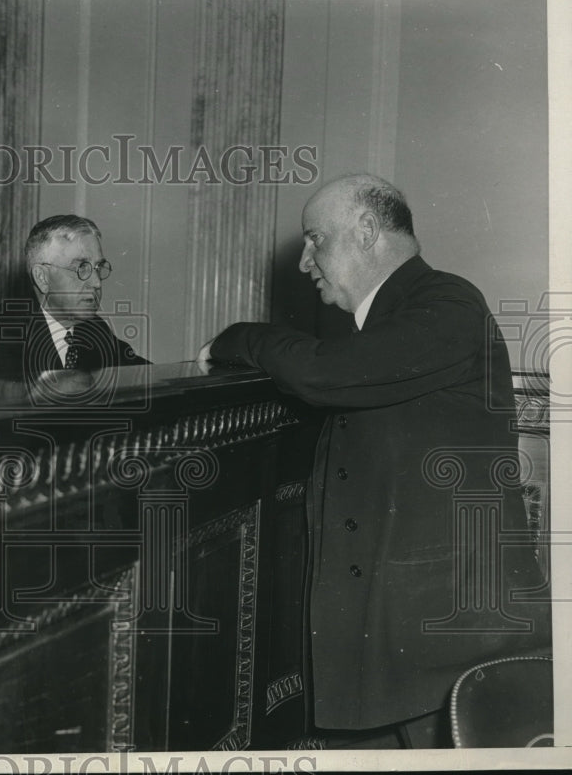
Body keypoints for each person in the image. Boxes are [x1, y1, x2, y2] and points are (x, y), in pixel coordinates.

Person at [198, 174, 550, 747]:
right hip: (404, 627)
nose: (305, 260)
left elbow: (325, 373)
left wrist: (239, 337)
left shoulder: (450, 301)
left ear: (366, 231)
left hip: (451, 632)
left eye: (316, 239)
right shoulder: (390, 320)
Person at [0, 215, 149, 381]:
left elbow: (148, 377)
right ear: (42, 278)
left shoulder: (96, 329)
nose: (97, 283)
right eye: (81, 268)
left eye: (98, 268)